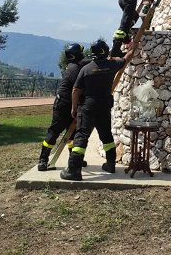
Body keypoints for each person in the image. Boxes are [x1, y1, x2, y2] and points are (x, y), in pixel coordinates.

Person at [60, 39, 132, 181]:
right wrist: (134, 46)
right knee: (105, 134)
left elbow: (76, 90)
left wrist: (74, 108)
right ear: (105, 52)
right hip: (104, 104)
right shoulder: (111, 65)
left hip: (88, 106)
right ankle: (110, 164)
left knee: (81, 136)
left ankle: (74, 170)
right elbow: (126, 58)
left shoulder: (86, 69)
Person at [37, 43, 89, 171]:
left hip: (69, 103)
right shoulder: (74, 70)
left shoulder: (74, 65)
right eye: (81, 53)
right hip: (64, 105)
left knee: (73, 134)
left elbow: (87, 62)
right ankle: (43, 160)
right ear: (78, 55)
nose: (83, 55)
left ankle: (74, 160)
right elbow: (78, 89)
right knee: (55, 131)